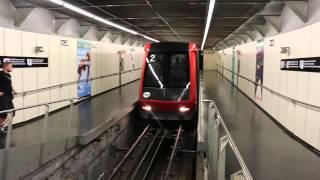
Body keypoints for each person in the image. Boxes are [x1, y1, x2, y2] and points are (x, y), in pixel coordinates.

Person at [0, 62, 16, 134]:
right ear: (6, 67)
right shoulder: (0, 74)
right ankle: (1, 128)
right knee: (4, 114)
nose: (12, 67)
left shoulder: (8, 75)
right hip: (3, 97)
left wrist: (14, 90)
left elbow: (10, 83)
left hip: (9, 96)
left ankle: (1, 126)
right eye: (11, 66)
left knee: (12, 112)